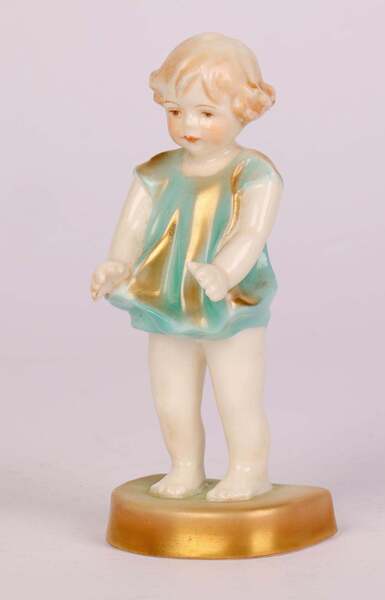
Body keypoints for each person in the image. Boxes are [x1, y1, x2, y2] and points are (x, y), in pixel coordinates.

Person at [90, 33, 283, 501]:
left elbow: (250, 233)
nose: (187, 125)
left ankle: (248, 470)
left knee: (236, 395)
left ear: (243, 110)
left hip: (230, 305)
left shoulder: (253, 172)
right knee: (171, 397)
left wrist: (224, 272)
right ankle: (185, 467)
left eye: (206, 113)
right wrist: (116, 265)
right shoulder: (156, 172)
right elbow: (131, 229)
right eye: (176, 111)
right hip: (166, 300)